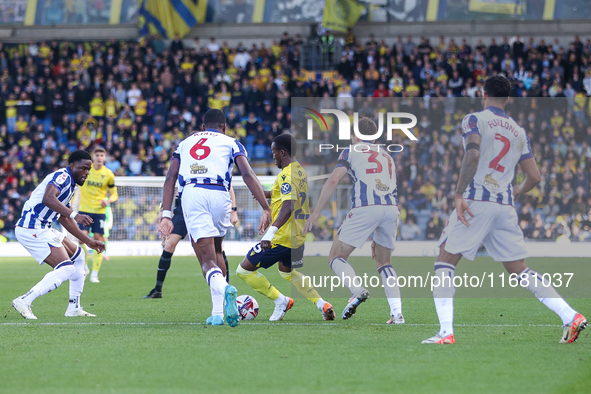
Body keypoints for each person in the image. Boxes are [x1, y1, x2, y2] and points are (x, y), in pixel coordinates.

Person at [422, 75, 587, 345]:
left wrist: (458, 193)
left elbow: (472, 154)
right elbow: (534, 176)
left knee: (444, 261)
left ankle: (445, 332)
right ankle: (570, 316)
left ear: (482, 94)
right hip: (504, 205)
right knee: (519, 269)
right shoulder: (518, 131)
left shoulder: (475, 119)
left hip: (476, 201)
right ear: (508, 99)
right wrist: (515, 191)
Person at [158, 109, 271, 327]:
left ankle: (225, 288)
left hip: (194, 193)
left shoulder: (185, 142)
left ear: (202, 127)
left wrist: (166, 214)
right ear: (224, 127)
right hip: (221, 193)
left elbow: (171, 177)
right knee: (218, 249)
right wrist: (265, 207)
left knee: (206, 259)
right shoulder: (232, 142)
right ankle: (217, 313)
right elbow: (247, 174)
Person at [304, 118, 404, 324]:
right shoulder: (387, 155)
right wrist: (379, 232)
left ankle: (357, 290)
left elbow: (333, 180)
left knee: (335, 256)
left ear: (356, 136)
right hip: (391, 208)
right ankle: (397, 314)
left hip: (365, 207)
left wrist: (316, 212)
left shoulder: (351, 150)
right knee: (385, 262)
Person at [236, 134, 335, 321]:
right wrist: (262, 193)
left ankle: (281, 300)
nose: (273, 157)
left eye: (274, 153)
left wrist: (269, 233)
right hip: (298, 237)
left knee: (243, 271)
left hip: (281, 237)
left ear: (282, 152)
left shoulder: (286, 174)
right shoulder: (299, 172)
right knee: (287, 272)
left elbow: (289, 205)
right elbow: (283, 195)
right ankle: (322, 304)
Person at [12, 150, 105, 319]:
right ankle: (24, 300)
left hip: (43, 227)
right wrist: (75, 214)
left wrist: (88, 240)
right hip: (32, 227)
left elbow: (63, 216)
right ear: (72, 166)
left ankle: (74, 308)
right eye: (83, 168)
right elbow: (48, 198)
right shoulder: (63, 176)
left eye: (88, 170)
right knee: (66, 268)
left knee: (79, 255)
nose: (86, 173)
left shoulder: (72, 186)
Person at [144, 186, 239, 299]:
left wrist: (233, 210)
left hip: (204, 204)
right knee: (169, 245)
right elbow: (170, 184)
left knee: (217, 247)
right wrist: (164, 210)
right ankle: (157, 290)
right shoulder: (180, 168)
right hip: (182, 206)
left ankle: (225, 288)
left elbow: (229, 184)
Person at [78, 147, 118, 283]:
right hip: (84, 209)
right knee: (81, 239)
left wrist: (107, 201)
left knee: (98, 240)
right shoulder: (86, 170)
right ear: (93, 157)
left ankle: (94, 273)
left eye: (102, 155)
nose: (99, 157)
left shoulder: (109, 174)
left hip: (99, 212)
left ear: (105, 158)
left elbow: (114, 194)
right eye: (97, 155)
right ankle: (84, 266)